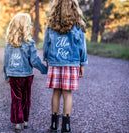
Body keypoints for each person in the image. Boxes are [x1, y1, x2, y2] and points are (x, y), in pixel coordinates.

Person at [43, 0, 88, 132]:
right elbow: (82, 47)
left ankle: (53, 124)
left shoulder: (51, 25)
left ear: (56, 7)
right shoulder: (78, 25)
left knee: (56, 92)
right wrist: (82, 64)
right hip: (71, 63)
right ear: (74, 7)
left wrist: (47, 59)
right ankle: (66, 125)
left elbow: (46, 45)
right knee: (67, 94)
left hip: (55, 63)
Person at [3, 13, 48, 131]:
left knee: (16, 98)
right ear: (24, 27)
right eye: (29, 25)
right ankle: (26, 120)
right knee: (26, 97)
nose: (31, 27)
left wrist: (6, 76)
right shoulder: (30, 43)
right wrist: (44, 69)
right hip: (27, 75)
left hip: (13, 75)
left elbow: (6, 61)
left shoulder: (9, 44)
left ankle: (18, 123)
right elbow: (34, 60)